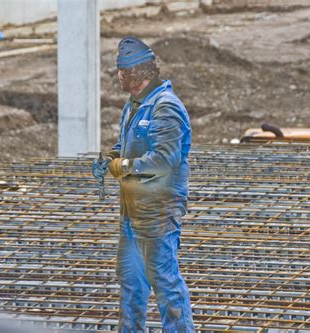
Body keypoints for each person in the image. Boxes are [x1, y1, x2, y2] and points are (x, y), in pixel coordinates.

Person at [92, 36, 195, 332]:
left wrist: (123, 166)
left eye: (122, 71)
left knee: (164, 281)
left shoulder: (165, 107)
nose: (119, 76)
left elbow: (165, 159)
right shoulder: (135, 105)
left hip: (158, 212)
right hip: (131, 212)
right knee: (131, 282)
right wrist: (111, 156)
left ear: (136, 73)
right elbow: (125, 144)